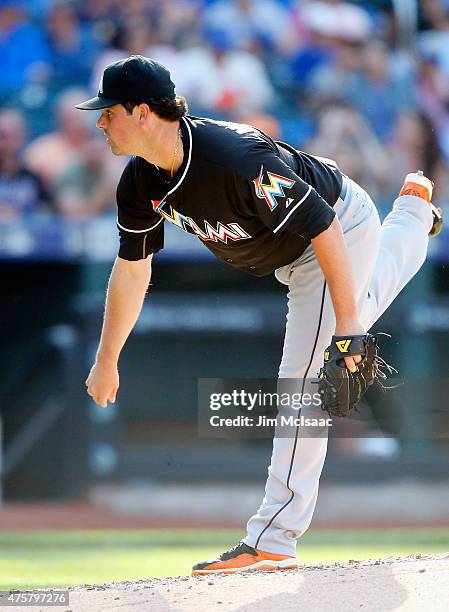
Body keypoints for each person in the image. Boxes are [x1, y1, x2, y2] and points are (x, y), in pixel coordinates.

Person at [77, 56, 442, 574]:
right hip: (290, 259)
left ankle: (273, 539)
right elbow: (132, 271)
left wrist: (348, 333)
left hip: (335, 230)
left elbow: (323, 226)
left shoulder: (233, 155)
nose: (99, 122)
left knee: (302, 384)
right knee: (348, 315)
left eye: (108, 111)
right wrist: (106, 358)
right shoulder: (138, 184)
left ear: (140, 112)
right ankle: (412, 217)